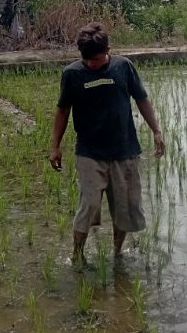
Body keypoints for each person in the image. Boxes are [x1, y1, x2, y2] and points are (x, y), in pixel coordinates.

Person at [50, 22, 165, 265]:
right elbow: (63, 110)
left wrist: (156, 130)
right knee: (89, 205)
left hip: (124, 150)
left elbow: (142, 99)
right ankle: (77, 255)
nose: (92, 63)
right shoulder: (72, 74)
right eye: (88, 60)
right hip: (90, 152)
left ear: (108, 50)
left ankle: (117, 253)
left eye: (97, 59)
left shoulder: (123, 67)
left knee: (123, 208)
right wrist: (55, 146)